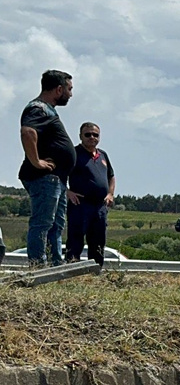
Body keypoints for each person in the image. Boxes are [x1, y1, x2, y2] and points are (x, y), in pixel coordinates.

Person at [18, 69, 76, 268]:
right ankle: (38, 266)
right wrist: (36, 162)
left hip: (57, 179)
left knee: (56, 225)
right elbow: (27, 132)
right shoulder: (38, 108)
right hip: (45, 178)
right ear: (58, 89)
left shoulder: (49, 110)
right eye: (69, 89)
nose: (70, 94)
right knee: (42, 223)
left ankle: (55, 266)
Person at [65, 122, 115, 265]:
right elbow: (59, 174)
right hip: (80, 204)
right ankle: (71, 270)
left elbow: (111, 176)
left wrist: (110, 194)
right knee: (75, 241)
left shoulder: (103, 155)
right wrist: (68, 192)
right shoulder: (73, 153)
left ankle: (95, 272)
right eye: (87, 134)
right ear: (80, 136)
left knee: (98, 242)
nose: (91, 137)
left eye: (95, 135)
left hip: (100, 206)